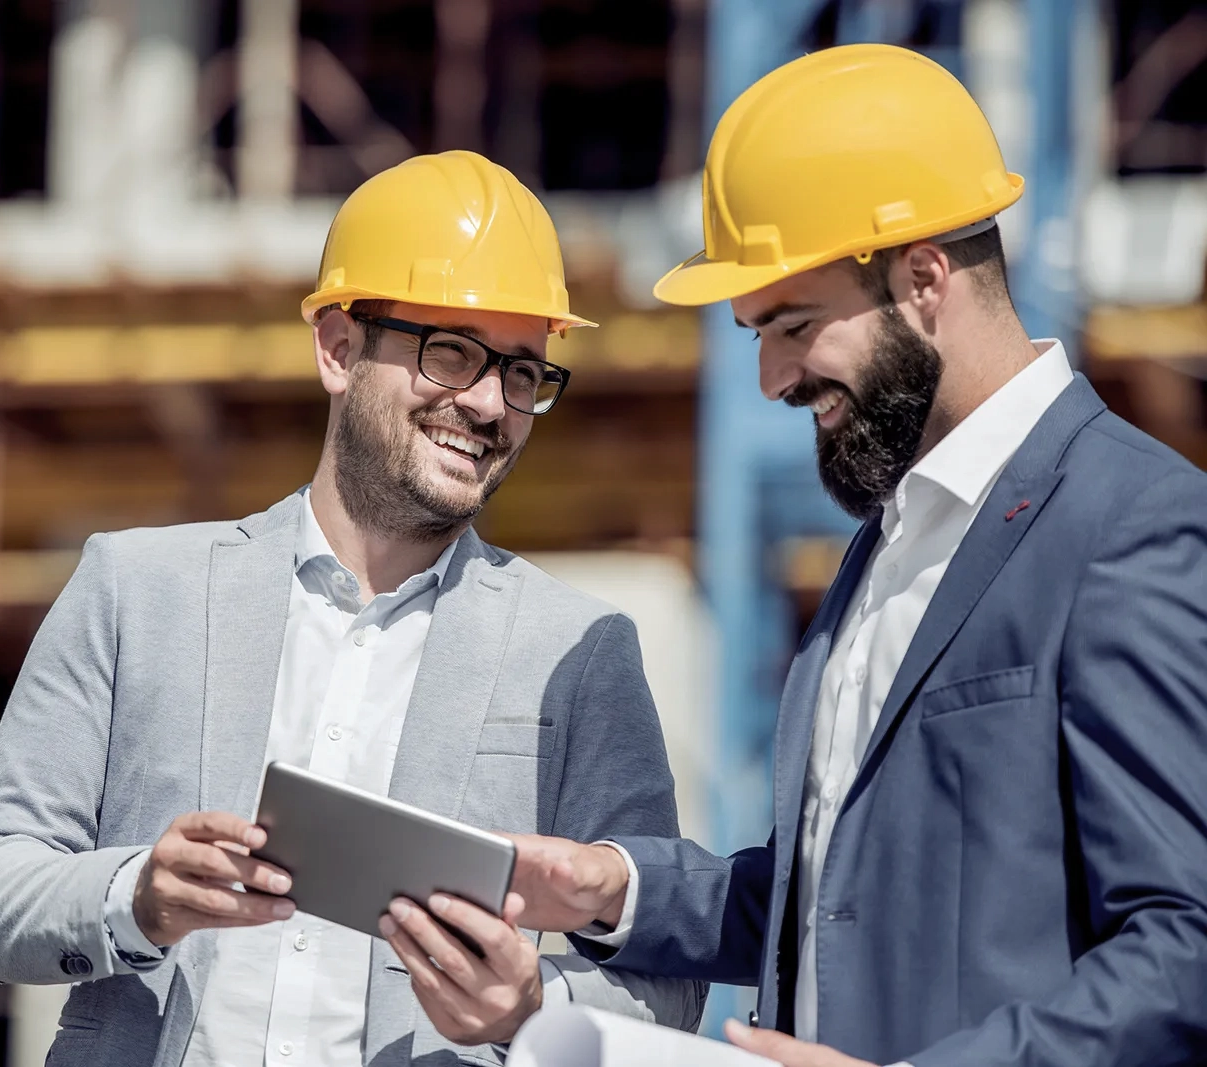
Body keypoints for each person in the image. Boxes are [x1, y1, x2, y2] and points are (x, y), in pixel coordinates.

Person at [504, 43, 1207, 1067]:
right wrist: (621, 889)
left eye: (792, 323)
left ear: (923, 276)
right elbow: (847, 897)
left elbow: (1184, 946)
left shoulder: (1131, 525)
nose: (771, 378)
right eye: (752, 332)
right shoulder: (887, 544)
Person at [0, 149, 706, 1067]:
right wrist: (136, 894)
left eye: (525, 372)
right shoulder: (138, 590)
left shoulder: (577, 650)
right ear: (339, 349)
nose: (492, 402)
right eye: (451, 352)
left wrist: (532, 1010)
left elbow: (667, 976)